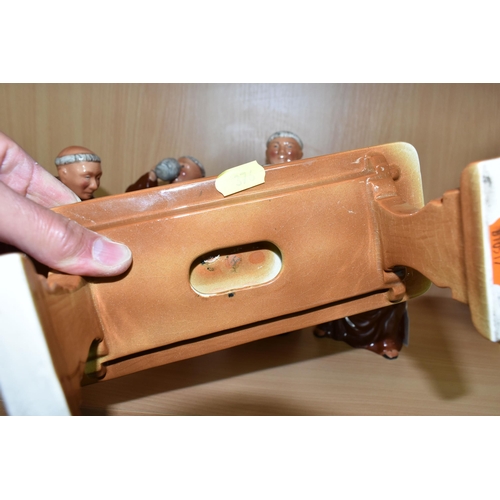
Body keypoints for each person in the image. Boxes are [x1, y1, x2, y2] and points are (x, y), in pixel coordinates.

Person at [0, 131, 132, 277]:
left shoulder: (92, 203)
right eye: (87, 177)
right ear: (64, 173)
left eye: (98, 177)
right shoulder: (36, 204)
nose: (94, 185)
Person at [126, 156, 206, 192]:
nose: (176, 168)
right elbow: (131, 200)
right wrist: (151, 177)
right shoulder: (163, 194)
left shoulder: (197, 198)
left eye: (182, 166)